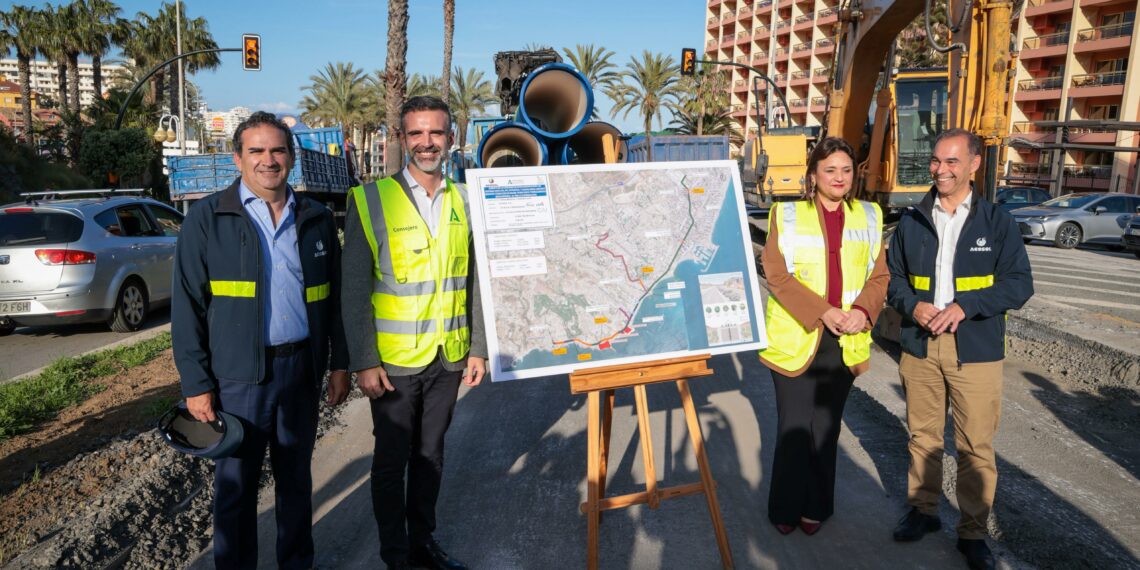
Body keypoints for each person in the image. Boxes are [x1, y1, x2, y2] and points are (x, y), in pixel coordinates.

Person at [172, 111, 350, 569]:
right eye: (257, 151)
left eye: (277, 150)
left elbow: (334, 300)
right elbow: (187, 308)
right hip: (237, 381)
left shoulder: (315, 218)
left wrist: (339, 364)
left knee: (295, 483)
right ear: (237, 158)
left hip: (300, 373)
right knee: (235, 488)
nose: (268, 160)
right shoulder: (208, 219)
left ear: (290, 157)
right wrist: (196, 383)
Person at [341, 95, 487, 570]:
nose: (427, 143)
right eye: (417, 134)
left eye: (437, 133)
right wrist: (363, 359)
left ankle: (423, 542)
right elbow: (354, 290)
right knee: (391, 463)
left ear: (451, 138)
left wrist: (479, 349)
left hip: (449, 357)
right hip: (395, 362)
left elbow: (474, 282)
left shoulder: (465, 199)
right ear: (402, 139)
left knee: (431, 457)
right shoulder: (368, 199)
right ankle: (396, 555)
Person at [887, 128, 1033, 570]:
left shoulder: (997, 222)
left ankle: (972, 533)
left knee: (974, 446)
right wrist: (914, 306)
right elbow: (892, 281)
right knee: (923, 437)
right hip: (920, 345)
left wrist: (966, 306)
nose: (940, 169)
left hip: (976, 350)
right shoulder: (912, 219)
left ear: (974, 165)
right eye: (936, 160)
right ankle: (924, 511)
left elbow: (1019, 285)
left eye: (951, 161)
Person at [758, 137, 889, 536]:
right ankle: (785, 506)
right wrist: (824, 312)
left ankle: (816, 506)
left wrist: (862, 312)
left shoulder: (870, 215)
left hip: (845, 338)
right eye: (830, 169)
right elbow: (777, 274)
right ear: (813, 175)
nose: (839, 177)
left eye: (846, 170)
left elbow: (878, 275)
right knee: (794, 426)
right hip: (799, 336)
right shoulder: (787, 214)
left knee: (827, 428)